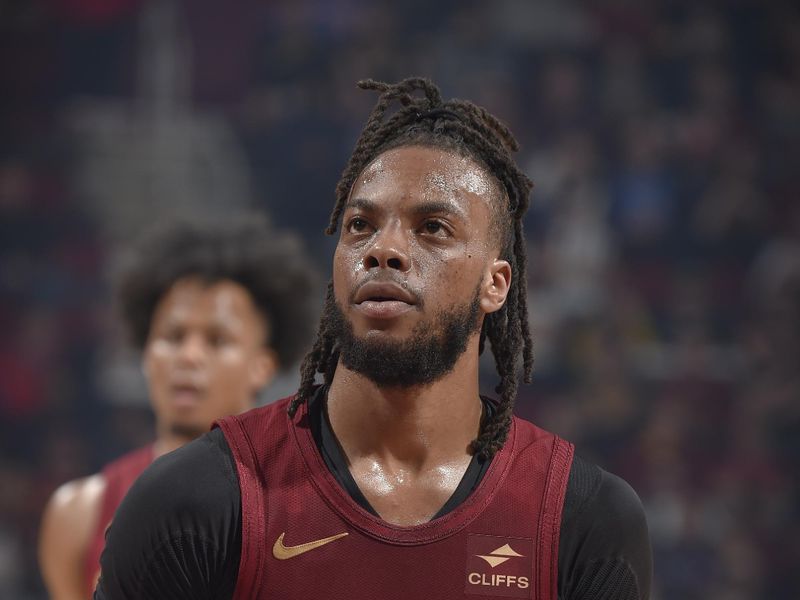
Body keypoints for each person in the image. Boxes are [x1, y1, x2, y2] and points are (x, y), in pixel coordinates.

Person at [95, 78, 652, 599]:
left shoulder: (584, 519)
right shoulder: (192, 502)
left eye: (432, 227)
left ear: (495, 283)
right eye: (360, 225)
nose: (382, 249)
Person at [38, 215, 319, 600]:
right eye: (173, 336)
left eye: (217, 340)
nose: (188, 356)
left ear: (262, 366)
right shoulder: (79, 513)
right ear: (146, 352)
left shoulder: (306, 512)